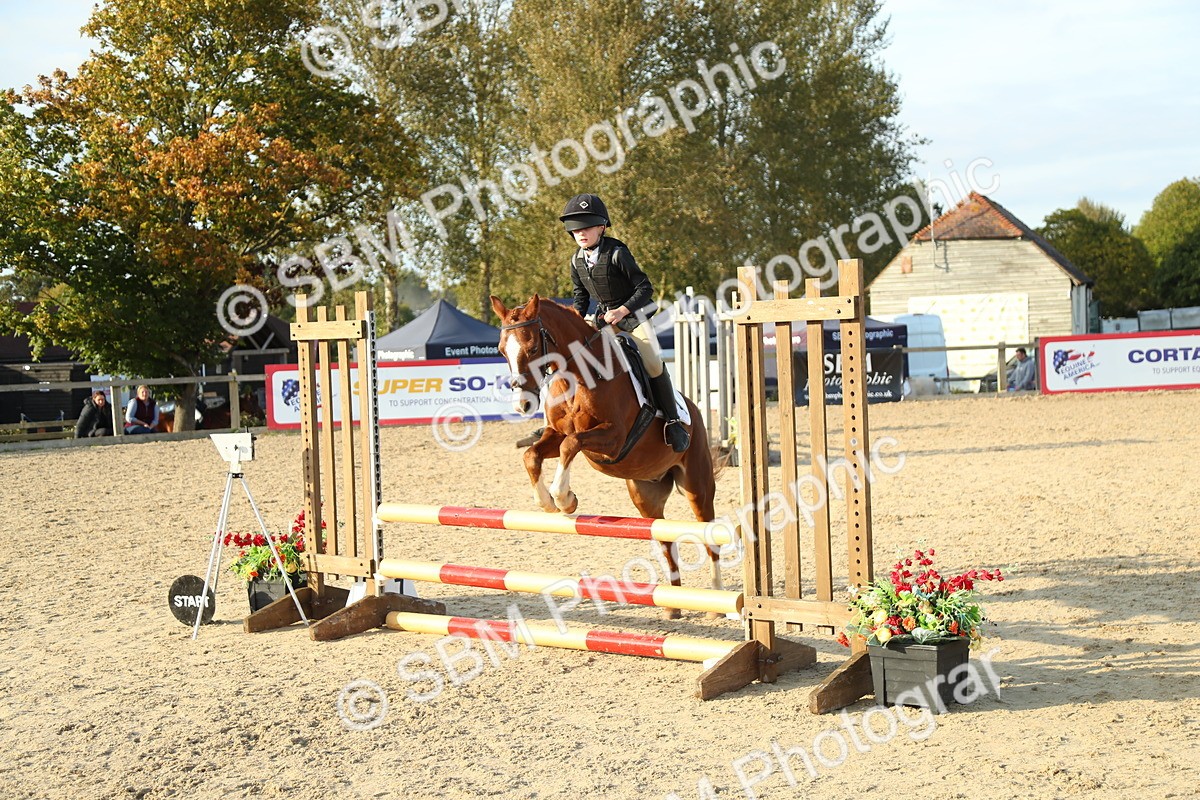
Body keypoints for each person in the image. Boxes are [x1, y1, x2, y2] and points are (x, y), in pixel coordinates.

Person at [560, 193, 689, 452]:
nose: (581, 233)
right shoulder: (576, 260)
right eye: (576, 230)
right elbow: (580, 296)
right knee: (571, 356)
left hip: (633, 317)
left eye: (586, 228)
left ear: (601, 227)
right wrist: (576, 320)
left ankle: (673, 421)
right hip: (603, 319)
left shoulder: (618, 253)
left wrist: (621, 311)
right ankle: (558, 419)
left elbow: (645, 288)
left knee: (652, 362)